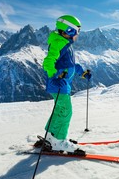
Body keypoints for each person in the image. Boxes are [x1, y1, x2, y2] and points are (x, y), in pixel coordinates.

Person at [38, 15, 92, 153]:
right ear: (69, 30)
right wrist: (54, 75)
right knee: (65, 112)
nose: (78, 34)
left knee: (59, 111)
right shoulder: (58, 43)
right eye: (77, 31)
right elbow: (48, 62)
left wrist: (82, 73)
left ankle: (50, 137)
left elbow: (70, 65)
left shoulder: (65, 44)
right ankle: (59, 141)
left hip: (62, 84)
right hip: (59, 85)